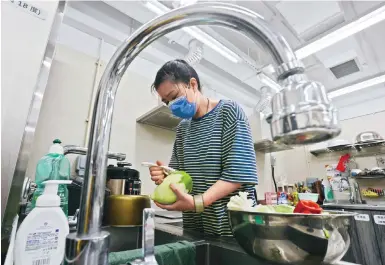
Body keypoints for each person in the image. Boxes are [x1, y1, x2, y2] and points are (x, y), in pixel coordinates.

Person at [149, 59, 258, 236]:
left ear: (193, 84)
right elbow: (181, 176)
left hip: (231, 229)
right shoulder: (183, 128)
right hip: (196, 228)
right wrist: (165, 176)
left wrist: (198, 202)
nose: (172, 105)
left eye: (174, 96)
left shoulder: (229, 112)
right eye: (166, 101)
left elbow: (239, 172)